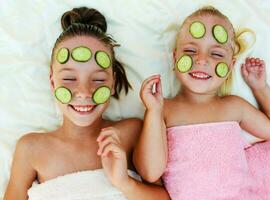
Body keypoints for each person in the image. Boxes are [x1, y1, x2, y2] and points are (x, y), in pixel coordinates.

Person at [134, 5, 270, 199]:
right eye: (190, 50)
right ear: (175, 57)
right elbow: (150, 172)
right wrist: (153, 111)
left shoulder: (233, 106)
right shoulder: (163, 109)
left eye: (216, 54)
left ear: (231, 65)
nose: (202, 60)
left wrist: (260, 88)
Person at [4, 7, 170, 200]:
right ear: (52, 81)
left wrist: (125, 183)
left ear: (113, 83)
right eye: (69, 79)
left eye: (98, 80)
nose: (84, 93)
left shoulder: (130, 133)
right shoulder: (30, 149)